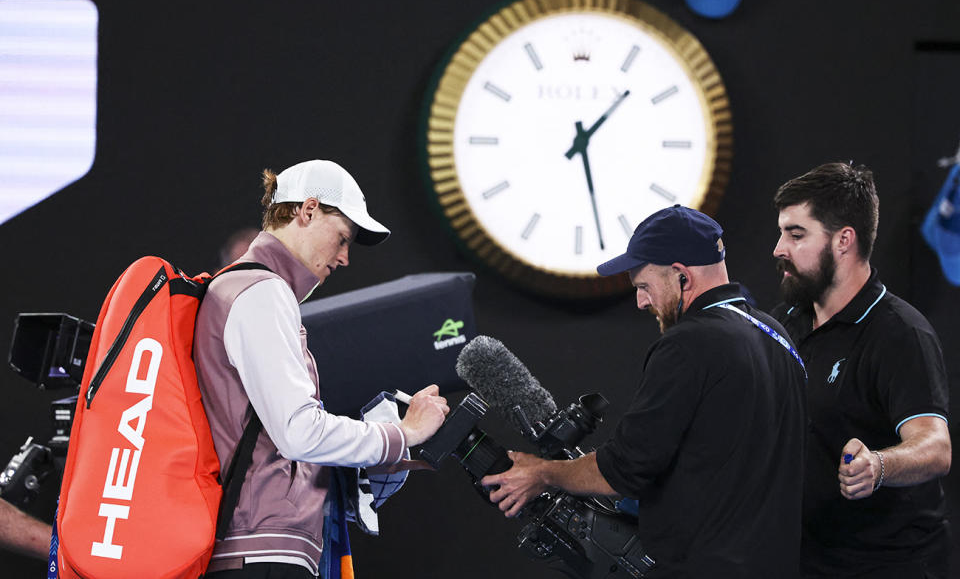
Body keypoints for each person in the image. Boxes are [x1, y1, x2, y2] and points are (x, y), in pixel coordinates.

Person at [482, 205, 807, 578]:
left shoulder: (689, 343)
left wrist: (542, 473)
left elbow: (624, 470)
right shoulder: (780, 337)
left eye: (643, 287)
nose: (641, 302)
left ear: (682, 277)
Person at [194, 159, 449, 578]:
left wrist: (358, 468)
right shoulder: (262, 292)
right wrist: (401, 434)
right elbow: (299, 432)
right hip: (263, 555)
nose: (345, 258)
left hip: (261, 548)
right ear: (307, 211)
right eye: (342, 238)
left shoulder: (250, 289)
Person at [771, 162, 951, 578]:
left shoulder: (899, 333)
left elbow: (935, 446)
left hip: (891, 564)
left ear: (844, 241)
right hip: (809, 560)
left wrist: (878, 466)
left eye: (796, 235)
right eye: (782, 233)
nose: (779, 248)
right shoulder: (787, 322)